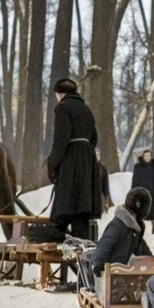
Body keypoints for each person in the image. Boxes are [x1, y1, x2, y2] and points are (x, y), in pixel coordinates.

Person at [47, 78, 101, 239]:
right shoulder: (86, 109)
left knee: (63, 209)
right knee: (82, 213)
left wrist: (53, 164)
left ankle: (56, 247)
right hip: (88, 164)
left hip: (71, 165)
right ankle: (83, 258)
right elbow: (94, 138)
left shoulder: (62, 108)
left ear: (60, 94)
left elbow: (61, 140)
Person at [90, 187, 154, 277]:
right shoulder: (118, 225)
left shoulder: (135, 228)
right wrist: (100, 268)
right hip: (107, 273)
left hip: (118, 273)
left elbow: (143, 250)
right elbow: (103, 245)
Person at [131, 149, 154, 234]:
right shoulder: (137, 166)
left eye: (149, 156)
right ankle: (138, 228)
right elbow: (135, 179)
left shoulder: (153, 165)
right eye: (146, 156)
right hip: (141, 191)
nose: (147, 157)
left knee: (152, 209)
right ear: (143, 156)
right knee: (141, 210)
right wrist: (134, 192)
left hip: (151, 191)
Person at [96, 148, 113, 214]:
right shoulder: (88, 167)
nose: (96, 157)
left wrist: (107, 201)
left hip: (99, 196)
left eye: (98, 155)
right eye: (95, 155)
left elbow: (105, 186)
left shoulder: (103, 168)